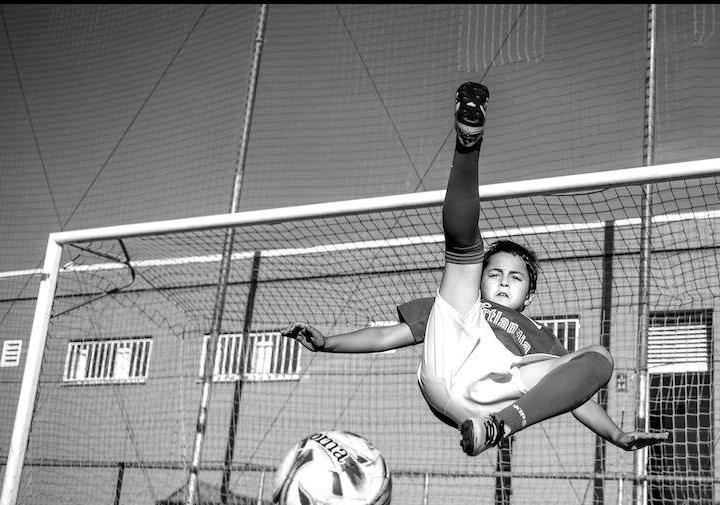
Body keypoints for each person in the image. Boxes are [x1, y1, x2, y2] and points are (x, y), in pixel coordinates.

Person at [284, 82, 667, 456]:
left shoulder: (541, 340)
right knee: (465, 249)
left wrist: (616, 436)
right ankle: (468, 141)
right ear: (483, 280)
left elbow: (576, 396)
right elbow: (386, 336)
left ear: (529, 295)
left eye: (515, 278)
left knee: (599, 357)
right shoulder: (468, 306)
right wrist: (327, 343)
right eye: (494, 274)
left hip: (487, 402)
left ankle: (498, 427)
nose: (502, 281)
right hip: (450, 353)